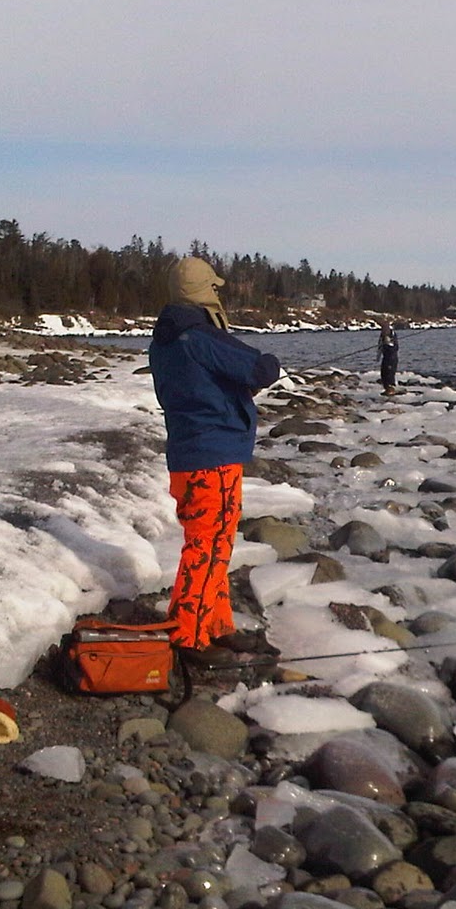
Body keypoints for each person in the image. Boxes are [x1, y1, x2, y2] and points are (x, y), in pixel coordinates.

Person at [149, 256, 281, 655]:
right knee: (208, 547)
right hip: (213, 457)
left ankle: (216, 623)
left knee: (211, 542)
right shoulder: (201, 336)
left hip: (187, 456)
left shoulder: (164, 341)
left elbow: (198, 387)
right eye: (215, 289)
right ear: (206, 292)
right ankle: (188, 635)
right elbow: (261, 368)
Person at [377, 319, 399, 393]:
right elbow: (380, 347)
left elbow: (395, 347)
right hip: (386, 357)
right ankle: (387, 388)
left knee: (389, 373)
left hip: (391, 357)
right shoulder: (383, 335)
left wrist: (388, 344)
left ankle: (391, 389)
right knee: (384, 373)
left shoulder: (392, 335)